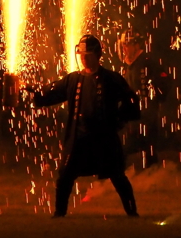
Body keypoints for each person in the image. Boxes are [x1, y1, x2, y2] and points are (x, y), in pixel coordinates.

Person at [32, 34, 141, 218]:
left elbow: (131, 101)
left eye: (88, 54)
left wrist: (119, 120)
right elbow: (51, 93)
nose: (83, 58)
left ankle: (132, 213)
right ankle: (59, 214)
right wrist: (34, 93)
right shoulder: (73, 79)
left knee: (117, 176)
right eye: (81, 54)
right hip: (78, 139)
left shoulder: (111, 79)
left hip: (104, 139)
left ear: (97, 55)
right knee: (65, 176)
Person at [118, 32, 168, 169]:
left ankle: (152, 177)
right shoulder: (129, 67)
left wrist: (153, 101)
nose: (124, 48)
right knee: (130, 145)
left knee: (147, 146)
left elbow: (163, 82)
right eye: (123, 45)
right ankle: (148, 175)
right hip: (133, 113)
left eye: (127, 45)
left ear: (136, 45)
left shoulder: (147, 62)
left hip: (146, 113)